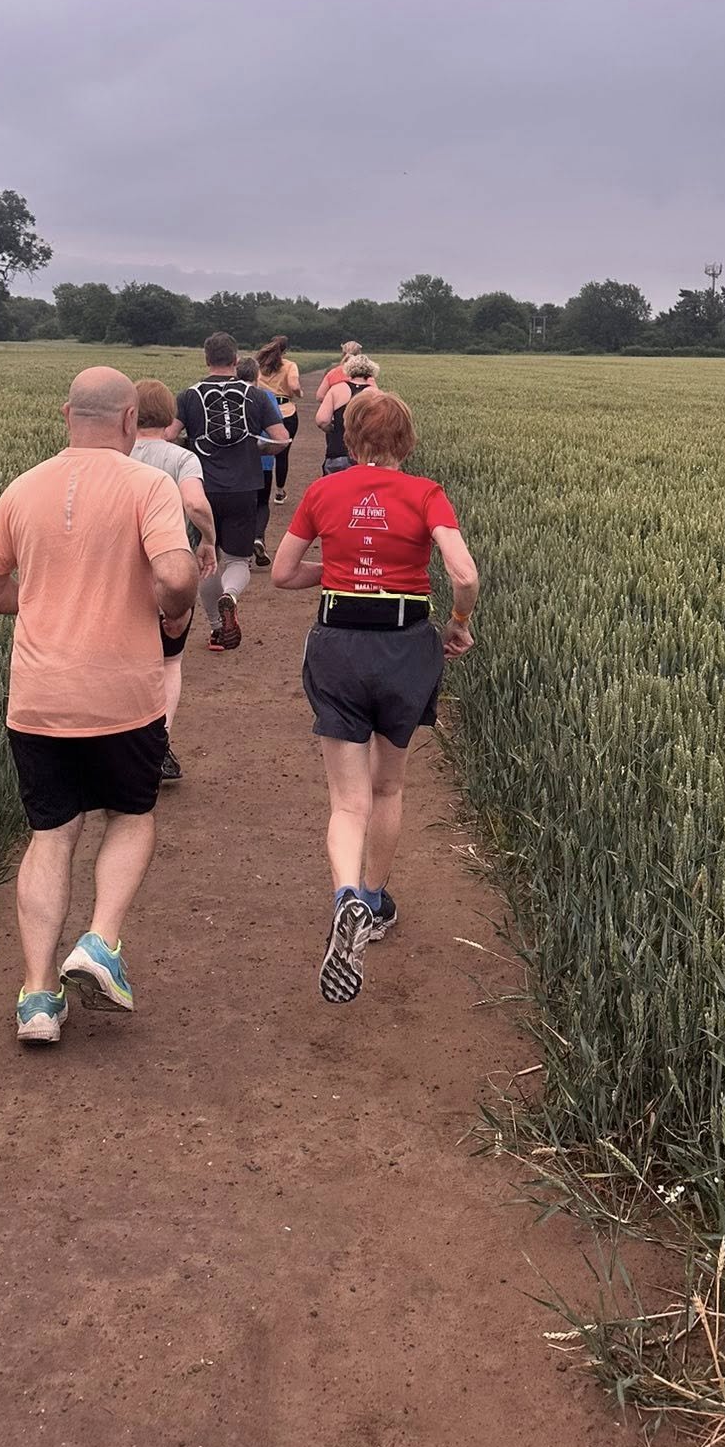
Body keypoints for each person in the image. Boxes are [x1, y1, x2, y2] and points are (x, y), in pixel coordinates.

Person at [0, 367, 198, 1044]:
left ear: (68, 413)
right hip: (122, 693)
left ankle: (37, 999)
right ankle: (99, 942)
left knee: (51, 833)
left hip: (37, 696)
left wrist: (33, 602)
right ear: (131, 420)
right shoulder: (147, 485)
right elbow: (178, 575)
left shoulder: (24, 486)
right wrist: (172, 611)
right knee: (130, 816)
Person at [271, 388, 479, 1004]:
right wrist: (459, 623)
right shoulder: (425, 493)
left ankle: (344, 897)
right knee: (389, 785)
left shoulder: (323, 492)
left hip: (337, 644)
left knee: (346, 798)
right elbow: (463, 574)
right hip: (404, 644)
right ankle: (376, 901)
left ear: (351, 438)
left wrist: (335, 570)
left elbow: (282, 574)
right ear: (406, 442)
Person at [172, 333, 289, 651]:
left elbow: (168, 435)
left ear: (205, 359)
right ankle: (231, 595)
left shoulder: (189, 395)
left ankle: (214, 630)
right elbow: (280, 440)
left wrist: (190, 445)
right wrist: (254, 445)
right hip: (245, 487)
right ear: (236, 361)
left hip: (202, 488)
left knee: (207, 558)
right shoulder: (257, 396)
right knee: (238, 560)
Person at [132, 379, 218, 783]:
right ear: (171, 417)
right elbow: (196, 503)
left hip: (119, 577)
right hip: (167, 576)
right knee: (169, 662)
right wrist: (208, 539)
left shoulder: (113, 454)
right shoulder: (181, 458)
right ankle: (158, 745)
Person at [236, 355, 282, 568]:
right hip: (263, 459)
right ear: (257, 375)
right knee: (262, 503)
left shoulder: (230, 396)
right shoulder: (266, 397)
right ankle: (258, 537)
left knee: (243, 504)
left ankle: (241, 549)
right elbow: (277, 427)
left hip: (237, 460)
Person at [257, 335, 302, 504]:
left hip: (262, 408)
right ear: (286, 350)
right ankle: (279, 491)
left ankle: (260, 488)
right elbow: (295, 386)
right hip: (285, 410)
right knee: (282, 453)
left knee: (261, 451)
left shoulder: (259, 365)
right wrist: (299, 394)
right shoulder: (290, 366)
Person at [316, 353, 378, 474]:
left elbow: (322, 420)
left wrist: (333, 430)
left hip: (338, 452)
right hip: (365, 456)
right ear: (371, 371)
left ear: (348, 370)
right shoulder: (375, 394)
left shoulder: (336, 389)